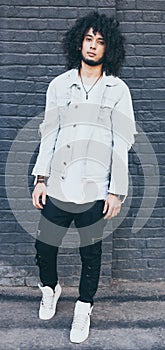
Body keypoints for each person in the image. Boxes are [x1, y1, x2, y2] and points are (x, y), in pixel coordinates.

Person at [32, 11, 137, 344]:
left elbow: (122, 141)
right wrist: (40, 178)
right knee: (44, 247)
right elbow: (49, 133)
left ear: (109, 49)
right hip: (59, 184)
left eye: (101, 41)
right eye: (89, 39)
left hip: (95, 187)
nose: (93, 46)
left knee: (91, 254)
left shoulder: (117, 89)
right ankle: (50, 288)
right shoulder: (60, 85)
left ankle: (83, 308)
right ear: (79, 41)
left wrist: (116, 191)